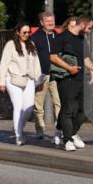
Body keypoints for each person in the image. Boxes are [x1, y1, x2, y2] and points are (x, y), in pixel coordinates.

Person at [49, 15, 93, 152]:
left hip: (81, 79)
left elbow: (86, 58)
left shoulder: (81, 39)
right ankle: (68, 139)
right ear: (82, 24)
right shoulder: (61, 37)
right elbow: (53, 57)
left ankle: (72, 133)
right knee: (68, 109)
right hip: (66, 79)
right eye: (89, 27)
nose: (89, 30)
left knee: (86, 109)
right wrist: (69, 68)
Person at [0, 22, 43, 146]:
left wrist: (39, 80)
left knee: (28, 108)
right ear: (18, 32)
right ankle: (19, 135)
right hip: (13, 79)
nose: (27, 34)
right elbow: (4, 64)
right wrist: (1, 82)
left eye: (29, 32)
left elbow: (36, 63)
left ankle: (18, 128)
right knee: (18, 106)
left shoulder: (31, 45)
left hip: (29, 79)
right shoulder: (10, 45)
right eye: (24, 32)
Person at [29, 11, 61, 141]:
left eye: (52, 21)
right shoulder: (35, 37)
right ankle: (40, 129)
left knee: (59, 103)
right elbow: (30, 57)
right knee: (38, 105)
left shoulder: (58, 36)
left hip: (56, 75)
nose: (50, 23)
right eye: (47, 21)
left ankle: (60, 130)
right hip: (41, 75)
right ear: (42, 22)